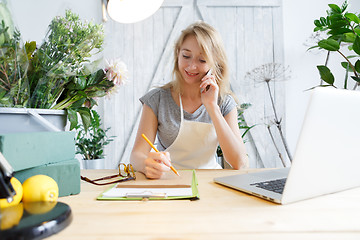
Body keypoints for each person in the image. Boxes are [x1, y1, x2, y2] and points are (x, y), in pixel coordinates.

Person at [130, 21, 248, 179]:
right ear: (177, 54)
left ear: (215, 63)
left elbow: (239, 163)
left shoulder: (224, 102)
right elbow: (136, 156)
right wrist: (146, 164)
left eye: (202, 60)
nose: (192, 66)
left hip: (211, 184)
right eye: (186, 56)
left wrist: (212, 106)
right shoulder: (157, 99)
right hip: (170, 184)